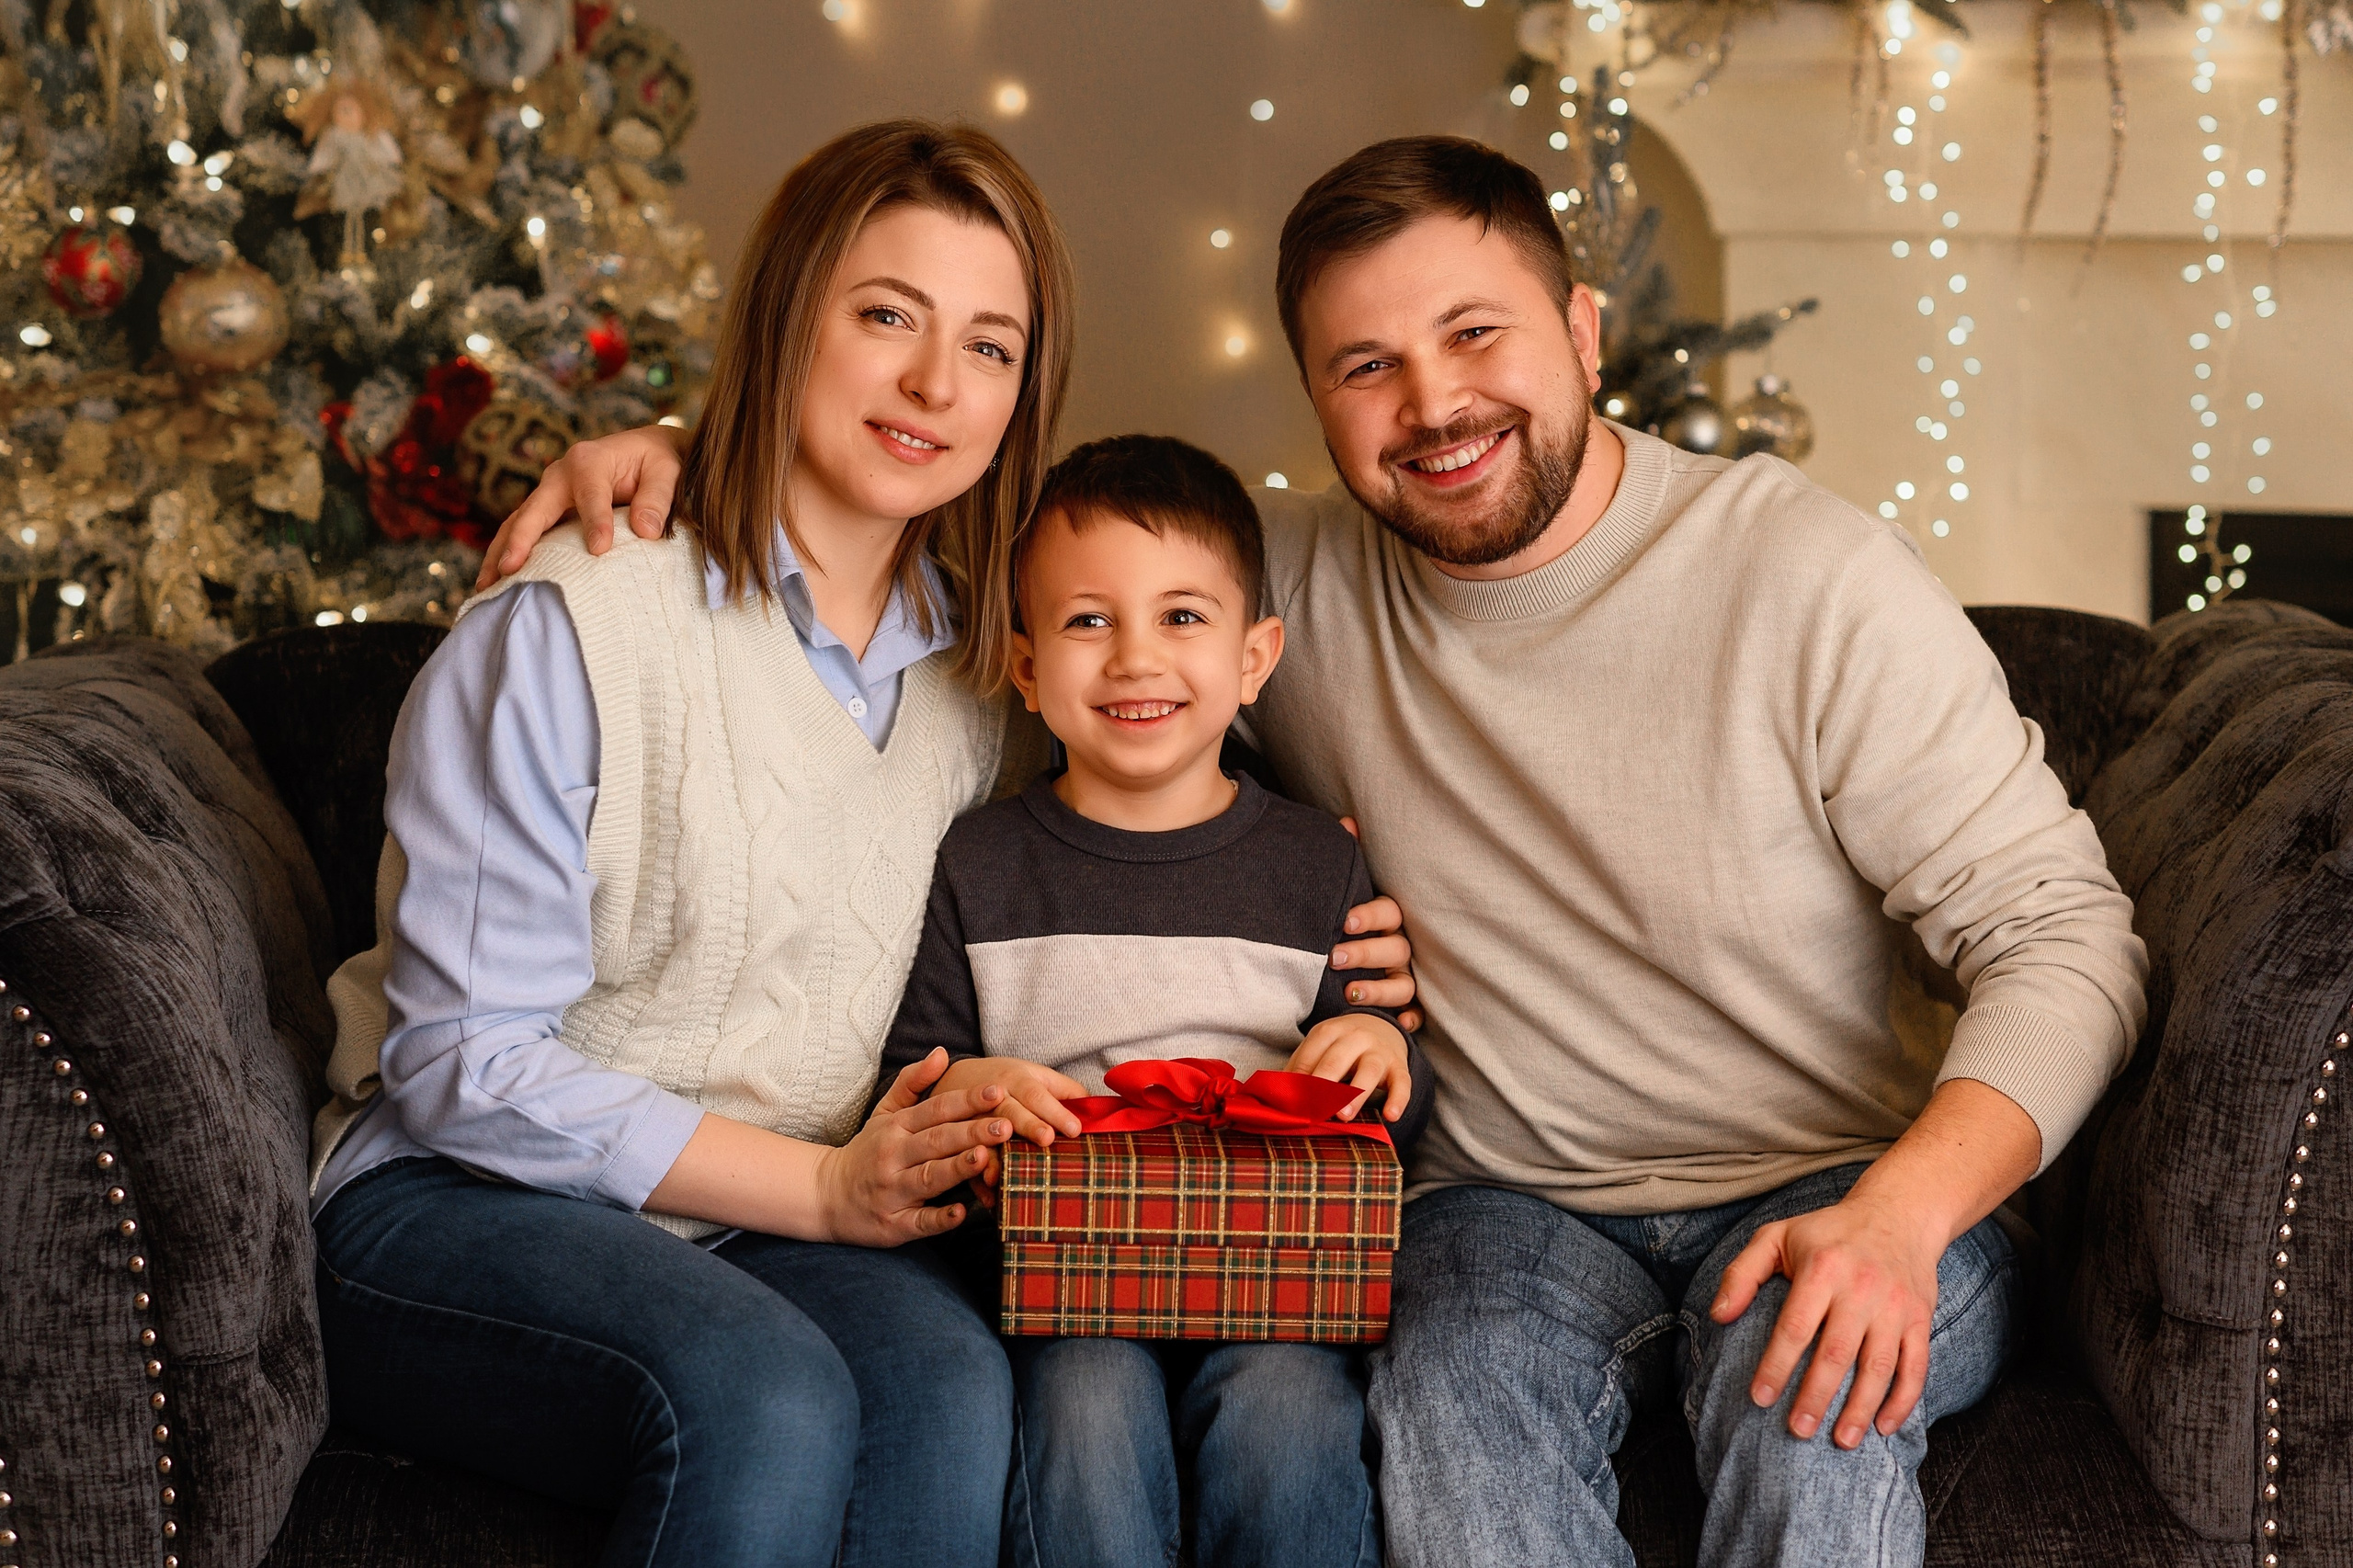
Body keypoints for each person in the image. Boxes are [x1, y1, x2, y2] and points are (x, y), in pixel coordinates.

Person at [481, 132, 2143, 1566]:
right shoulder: (1295, 596)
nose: (1433, 405)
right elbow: (1053, 551)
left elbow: (2068, 935)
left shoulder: (1809, 579)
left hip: (1843, 1173)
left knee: (1811, 1390)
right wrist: (712, 469)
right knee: (1445, 1403)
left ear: (1581, 329)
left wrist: (1906, 1215)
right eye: (1366, 367)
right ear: (1318, 405)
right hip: (1516, 1209)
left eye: (1476, 333)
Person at [881, 434, 1431, 1568]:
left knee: (1285, 1408)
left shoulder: (1311, 859)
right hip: (1067, 1280)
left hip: (1274, 1275)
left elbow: (1387, 1123)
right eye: (1088, 621)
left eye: (1182, 617)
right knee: (1082, 1399)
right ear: (1027, 668)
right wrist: (970, 1093)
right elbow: (914, 1069)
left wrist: (1376, 1046)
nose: (1136, 658)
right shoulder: (981, 860)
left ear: (1254, 655)